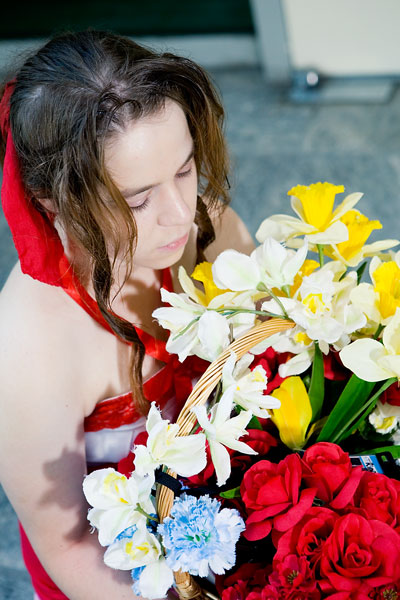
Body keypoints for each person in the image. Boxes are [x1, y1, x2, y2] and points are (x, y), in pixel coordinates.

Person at [0, 30, 255, 600]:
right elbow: (67, 544)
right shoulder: (26, 348)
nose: (180, 213)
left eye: (185, 170)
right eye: (137, 200)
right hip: (118, 573)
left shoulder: (209, 229)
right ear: (51, 200)